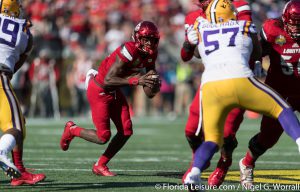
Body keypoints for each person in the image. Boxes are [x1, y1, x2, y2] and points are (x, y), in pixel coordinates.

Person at [183, 0, 300, 189]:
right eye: (294, 23)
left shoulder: (202, 27)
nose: (296, 28)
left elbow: (190, 54)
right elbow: (257, 51)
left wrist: (189, 42)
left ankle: (194, 172)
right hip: (268, 86)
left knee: (213, 138)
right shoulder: (251, 26)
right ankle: (246, 163)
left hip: (212, 86)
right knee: (269, 135)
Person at [60, 20, 161, 176]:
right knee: (103, 137)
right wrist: (136, 80)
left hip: (114, 90)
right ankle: (72, 129)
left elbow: (149, 91)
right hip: (100, 89)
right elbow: (108, 80)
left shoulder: (151, 54)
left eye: (152, 40)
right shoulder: (128, 50)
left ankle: (100, 165)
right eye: (145, 39)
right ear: (137, 37)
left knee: (126, 131)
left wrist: (153, 86)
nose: (149, 43)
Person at [180, 0, 252, 184]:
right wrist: (189, 43)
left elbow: (251, 41)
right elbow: (187, 55)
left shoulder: (238, 6)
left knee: (227, 134)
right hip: (212, 77)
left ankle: (225, 161)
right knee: (191, 129)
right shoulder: (193, 17)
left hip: (238, 75)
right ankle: (198, 161)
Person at [0, 0, 46, 186]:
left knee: (19, 121)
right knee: (16, 127)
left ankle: (18, 172)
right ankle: (2, 153)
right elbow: (17, 65)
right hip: (1, 76)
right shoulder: (26, 33)